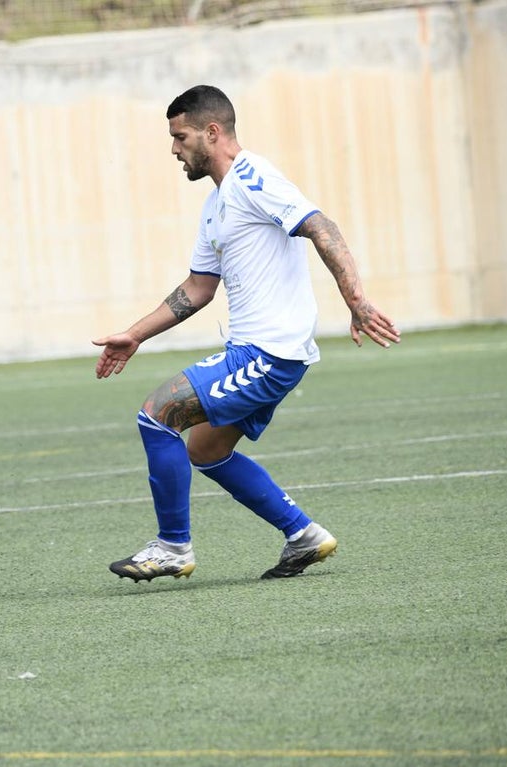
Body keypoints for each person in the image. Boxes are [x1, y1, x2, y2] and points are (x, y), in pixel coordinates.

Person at [93, 85, 399, 583]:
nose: (174, 149)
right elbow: (198, 288)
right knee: (205, 450)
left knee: (157, 415)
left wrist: (357, 300)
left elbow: (322, 226)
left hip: (269, 351)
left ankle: (172, 546)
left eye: (181, 136)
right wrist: (134, 335)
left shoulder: (253, 177)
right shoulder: (215, 206)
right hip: (261, 351)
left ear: (213, 132)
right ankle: (303, 535)